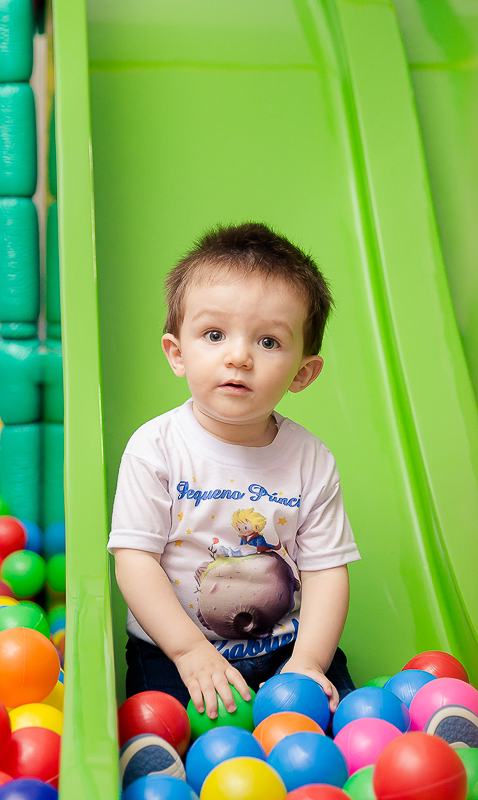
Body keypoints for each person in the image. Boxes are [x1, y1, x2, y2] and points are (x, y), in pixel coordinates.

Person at [108, 222, 361, 719]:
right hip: (174, 650)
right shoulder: (155, 448)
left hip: (286, 647)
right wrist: (188, 652)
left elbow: (326, 570)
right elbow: (134, 560)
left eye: (268, 341)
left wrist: (309, 661)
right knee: (160, 725)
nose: (239, 356)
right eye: (214, 334)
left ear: (303, 372)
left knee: (345, 719)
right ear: (177, 353)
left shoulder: (311, 459)